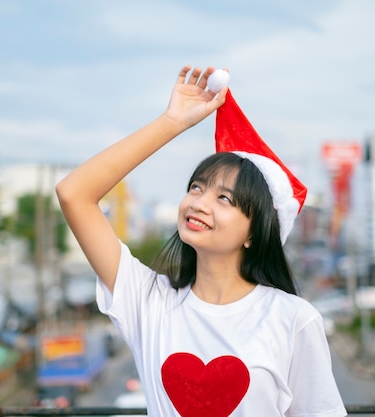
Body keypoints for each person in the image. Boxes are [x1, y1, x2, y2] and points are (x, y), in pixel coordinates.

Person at [55, 65, 347, 417]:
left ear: (255, 233)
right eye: (196, 187)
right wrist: (173, 121)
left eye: (223, 199)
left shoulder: (293, 319)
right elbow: (74, 193)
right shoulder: (149, 302)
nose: (199, 203)